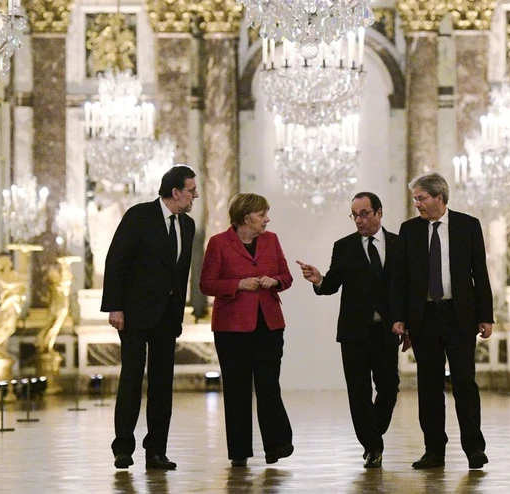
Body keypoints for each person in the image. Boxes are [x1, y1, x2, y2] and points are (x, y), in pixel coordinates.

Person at [391, 171, 494, 470]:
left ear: (440, 197)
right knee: (429, 387)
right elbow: (400, 278)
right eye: (415, 199)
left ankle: (474, 448)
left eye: (422, 198)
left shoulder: (467, 226)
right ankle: (434, 451)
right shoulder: (409, 230)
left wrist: (485, 316)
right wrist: (399, 317)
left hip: (459, 316)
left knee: (465, 384)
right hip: (424, 317)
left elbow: (480, 273)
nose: (417, 204)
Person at [101, 165, 198, 470]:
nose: (195, 196)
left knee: (162, 384)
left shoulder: (188, 225)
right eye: (191, 190)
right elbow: (116, 261)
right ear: (175, 192)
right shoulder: (139, 216)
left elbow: (180, 274)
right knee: (131, 378)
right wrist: (114, 307)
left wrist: (179, 313)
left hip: (167, 316)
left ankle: (156, 451)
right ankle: (122, 448)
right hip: (133, 314)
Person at [297, 192, 399, 469]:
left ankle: (373, 434)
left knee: (389, 388)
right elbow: (332, 284)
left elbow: (405, 288)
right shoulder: (344, 246)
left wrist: (407, 324)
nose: (359, 220)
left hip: (387, 330)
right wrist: (318, 280)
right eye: (354, 215)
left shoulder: (398, 244)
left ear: (379, 212)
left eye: (364, 213)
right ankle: (372, 446)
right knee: (359, 391)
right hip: (354, 332)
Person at [199, 193, 294, 468]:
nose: (267, 219)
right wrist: (238, 284)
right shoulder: (218, 243)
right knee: (237, 389)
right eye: (262, 214)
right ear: (245, 217)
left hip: (269, 325)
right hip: (231, 328)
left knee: (268, 385)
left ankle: (277, 445)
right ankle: (239, 451)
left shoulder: (271, 240)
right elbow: (206, 284)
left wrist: (274, 281)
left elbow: (286, 277)